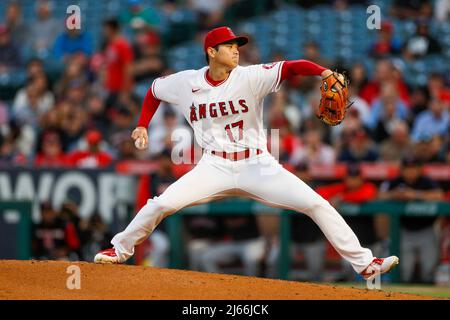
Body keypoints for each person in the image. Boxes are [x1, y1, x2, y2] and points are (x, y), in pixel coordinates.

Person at [94, 26, 399, 281]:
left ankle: (365, 264)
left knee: (317, 204)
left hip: (257, 164)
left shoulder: (251, 76)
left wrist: (324, 72)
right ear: (212, 52)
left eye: (237, 45)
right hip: (213, 165)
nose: (236, 50)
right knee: (161, 204)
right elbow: (153, 89)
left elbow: (291, 67)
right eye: (229, 46)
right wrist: (142, 125)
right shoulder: (187, 82)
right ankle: (119, 249)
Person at [379, 157, 444, 283]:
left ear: (419, 169)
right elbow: (379, 195)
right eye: (407, 169)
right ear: (402, 170)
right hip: (404, 231)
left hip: (426, 230)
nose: (410, 172)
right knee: (404, 269)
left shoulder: (426, 181)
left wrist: (415, 194)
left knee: (429, 267)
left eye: (413, 168)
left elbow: (439, 195)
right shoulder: (396, 182)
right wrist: (394, 195)